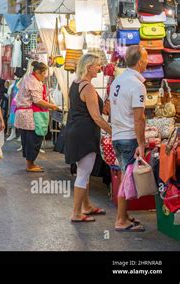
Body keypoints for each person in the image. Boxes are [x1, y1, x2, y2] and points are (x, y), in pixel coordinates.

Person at [64, 54, 112, 223]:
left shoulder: (75, 84)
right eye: (97, 65)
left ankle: (86, 206)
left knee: (83, 171)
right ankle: (76, 213)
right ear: (89, 66)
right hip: (85, 135)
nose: (99, 68)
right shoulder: (88, 88)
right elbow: (97, 118)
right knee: (83, 174)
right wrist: (112, 131)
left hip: (75, 132)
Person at [109, 45, 148, 232]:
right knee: (126, 177)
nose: (148, 61)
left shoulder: (117, 81)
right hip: (128, 137)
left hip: (117, 135)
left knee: (125, 174)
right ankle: (120, 220)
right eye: (146, 57)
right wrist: (141, 143)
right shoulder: (136, 84)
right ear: (140, 61)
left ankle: (124, 215)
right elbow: (139, 117)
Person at [15, 61, 58, 172]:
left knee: (27, 139)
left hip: (24, 115)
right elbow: (38, 101)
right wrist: (53, 106)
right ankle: (30, 165)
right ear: (38, 72)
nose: (44, 77)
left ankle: (30, 163)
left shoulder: (28, 78)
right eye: (44, 74)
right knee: (33, 140)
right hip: (30, 116)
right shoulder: (34, 82)